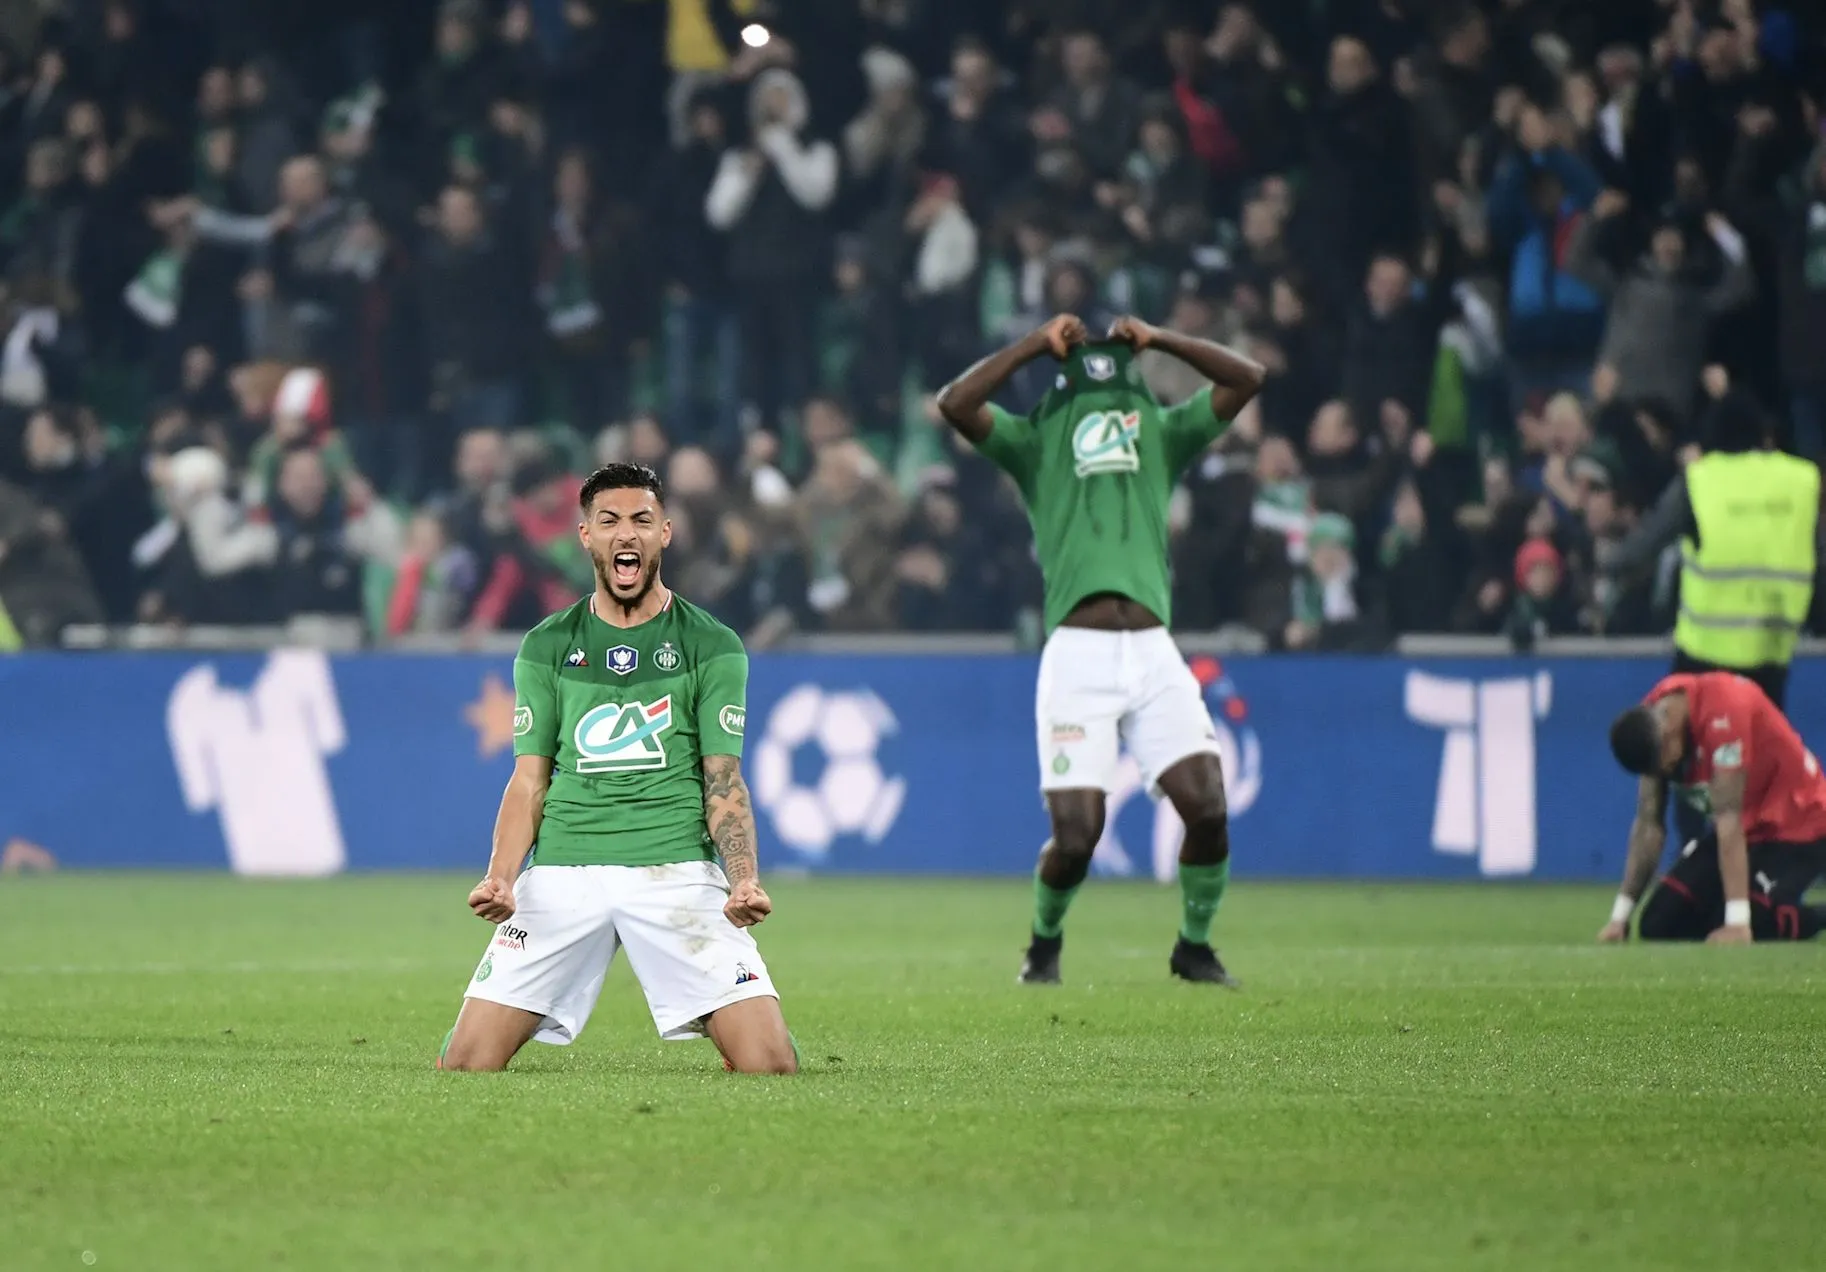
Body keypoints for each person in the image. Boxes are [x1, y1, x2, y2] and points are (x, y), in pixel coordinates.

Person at [935, 314, 1266, 986]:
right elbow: (956, 404)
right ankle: (1043, 944)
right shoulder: (1033, 444)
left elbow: (1248, 377)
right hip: (1077, 657)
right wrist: (1032, 343)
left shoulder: (1164, 434)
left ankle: (1193, 948)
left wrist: (1164, 337)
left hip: (1152, 652)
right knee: (1079, 836)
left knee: (1207, 806)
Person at [438, 463, 797, 1075]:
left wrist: (743, 879)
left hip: (675, 870)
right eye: (609, 521)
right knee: (466, 1064)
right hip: (563, 871)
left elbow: (723, 777)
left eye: (641, 521)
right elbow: (529, 779)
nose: (626, 534)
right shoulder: (548, 645)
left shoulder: (711, 644)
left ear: (665, 534)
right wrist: (501, 876)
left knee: (769, 1064)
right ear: (586, 536)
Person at [1601, 671, 1826, 945]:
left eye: (1665, 763)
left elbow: (1729, 818)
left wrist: (1737, 923)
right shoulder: (1653, 725)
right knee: (1658, 924)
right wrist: (1620, 917)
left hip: (1798, 826)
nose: (1668, 771)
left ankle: (1813, 915)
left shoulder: (1726, 711)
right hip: (1745, 829)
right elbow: (1649, 823)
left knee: (1756, 921)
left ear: (1669, 727)